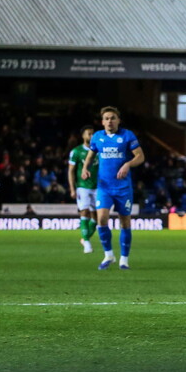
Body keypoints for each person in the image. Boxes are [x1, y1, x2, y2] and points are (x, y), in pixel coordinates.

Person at [82, 106, 145, 270]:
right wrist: (85, 168)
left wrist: (128, 164)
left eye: (113, 118)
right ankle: (108, 255)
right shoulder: (97, 137)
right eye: (107, 118)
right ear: (102, 122)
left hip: (123, 188)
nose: (110, 121)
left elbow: (140, 156)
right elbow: (90, 155)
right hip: (104, 187)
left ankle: (124, 259)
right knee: (102, 219)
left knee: (125, 222)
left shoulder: (127, 135)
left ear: (118, 120)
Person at [68, 124, 98, 254]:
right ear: (83, 136)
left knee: (97, 218)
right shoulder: (76, 151)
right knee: (84, 212)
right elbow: (71, 171)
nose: (91, 136)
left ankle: (84, 238)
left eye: (93, 134)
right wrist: (72, 188)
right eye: (89, 134)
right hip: (82, 186)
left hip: (97, 187)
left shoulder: (99, 151)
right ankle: (87, 243)